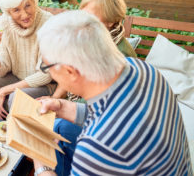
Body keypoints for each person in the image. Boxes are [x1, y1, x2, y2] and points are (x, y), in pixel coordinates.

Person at [33, 10, 192, 175]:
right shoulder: (143, 69)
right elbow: (114, 112)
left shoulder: (97, 148)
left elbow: (110, 129)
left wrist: (41, 163)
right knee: (62, 127)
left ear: (71, 72)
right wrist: (63, 107)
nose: (49, 73)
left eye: (47, 67)